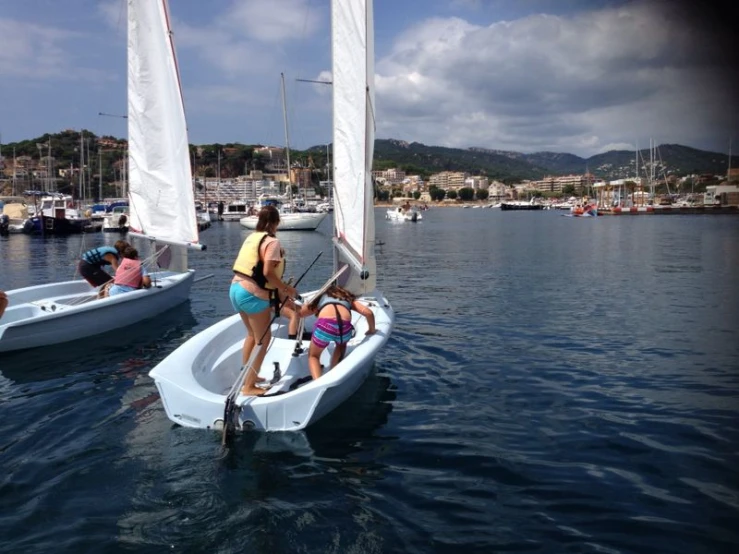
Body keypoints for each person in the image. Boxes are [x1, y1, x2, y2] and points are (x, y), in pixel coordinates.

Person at [230, 205, 299, 396]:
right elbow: (268, 272)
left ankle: (249, 375)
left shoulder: (252, 237)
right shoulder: (272, 242)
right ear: (276, 222)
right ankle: (249, 386)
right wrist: (287, 289)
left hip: (235, 288)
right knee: (263, 339)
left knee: (252, 336)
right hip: (251, 293)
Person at [298, 284, 376, 381]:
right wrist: (371, 330)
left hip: (324, 326)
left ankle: (318, 383)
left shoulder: (321, 299)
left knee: (313, 356)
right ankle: (334, 373)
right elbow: (368, 313)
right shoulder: (348, 299)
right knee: (341, 346)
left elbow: (300, 314)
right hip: (344, 327)